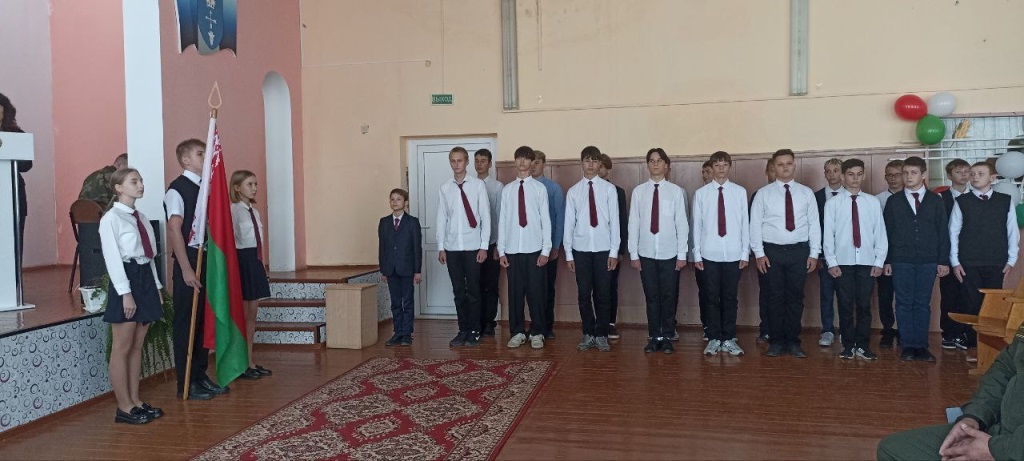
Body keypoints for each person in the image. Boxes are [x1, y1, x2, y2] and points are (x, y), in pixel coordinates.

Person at [876, 326, 1024, 460]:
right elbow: (1006, 367)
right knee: (894, 449)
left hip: (1012, 448)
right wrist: (974, 417)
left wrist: (998, 451)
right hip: (1000, 432)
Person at [164, 139, 228, 400]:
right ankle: (186, 382)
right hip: (189, 258)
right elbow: (174, 228)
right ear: (186, 160)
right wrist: (186, 268)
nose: (206, 157)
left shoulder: (205, 188)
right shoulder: (177, 189)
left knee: (202, 320)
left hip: (206, 256)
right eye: (201, 154)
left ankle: (200, 375)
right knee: (186, 322)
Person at [99, 168, 164, 424]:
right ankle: (123, 406)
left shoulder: (142, 218)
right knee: (122, 346)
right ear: (119, 188)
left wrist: (156, 288)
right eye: (134, 182)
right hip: (126, 280)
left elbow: (149, 258)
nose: (140, 185)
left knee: (137, 345)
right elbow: (113, 259)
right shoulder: (111, 219)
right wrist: (125, 294)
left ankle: (136, 400)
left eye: (141, 181)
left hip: (145, 279)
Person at [750, 149, 820, 358]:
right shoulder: (763, 194)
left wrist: (814, 253)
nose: (785, 168)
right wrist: (759, 254)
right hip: (772, 252)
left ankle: (793, 341)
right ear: (774, 167)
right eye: (780, 164)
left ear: (794, 165)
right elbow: (755, 225)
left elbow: (814, 225)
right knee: (775, 297)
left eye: (788, 163)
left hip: (799, 251)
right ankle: (776, 341)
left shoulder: (806, 193)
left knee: (795, 298)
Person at [949, 161, 1019, 363]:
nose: (975, 177)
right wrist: (955, 261)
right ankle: (973, 345)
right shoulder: (962, 201)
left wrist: (1012, 259)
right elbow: (953, 232)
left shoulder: (1004, 200)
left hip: (996, 261)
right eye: (972, 174)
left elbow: (1012, 230)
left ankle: (991, 348)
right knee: (971, 303)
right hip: (969, 261)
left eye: (980, 173)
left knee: (993, 305)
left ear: (992, 178)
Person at [883, 156, 949, 362]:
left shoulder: (935, 200)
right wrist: (887, 260)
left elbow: (942, 231)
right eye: (905, 173)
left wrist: (943, 260)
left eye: (913, 173)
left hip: (928, 260)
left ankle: (921, 345)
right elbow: (887, 232)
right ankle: (908, 345)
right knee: (903, 303)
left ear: (923, 175)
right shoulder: (894, 201)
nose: (908, 177)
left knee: (922, 303)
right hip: (901, 259)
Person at [822, 159, 887, 361]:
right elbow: (828, 235)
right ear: (843, 176)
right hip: (843, 262)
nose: (855, 178)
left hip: (867, 261)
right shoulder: (833, 203)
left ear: (864, 176)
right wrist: (831, 262)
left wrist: (879, 261)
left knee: (864, 306)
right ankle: (848, 345)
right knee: (845, 305)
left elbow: (880, 233)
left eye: (859, 174)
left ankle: (863, 345)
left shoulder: (872, 202)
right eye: (851, 174)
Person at [628, 148, 687, 354]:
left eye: (659, 160)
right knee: (652, 296)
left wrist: (682, 254)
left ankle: (668, 336)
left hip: (670, 253)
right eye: (652, 160)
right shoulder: (639, 192)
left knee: (668, 296)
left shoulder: (675, 191)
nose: (655, 164)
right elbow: (634, 223)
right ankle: (654, 336)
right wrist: (634, 253)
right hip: (646, 253)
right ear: (647, 165)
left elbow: (682, 224)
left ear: (666, 165)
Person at [692, 151, 748, 356]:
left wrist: (745, 252)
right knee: (711, 297)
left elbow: (745, 223)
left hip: (733, 253)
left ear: (729, 167)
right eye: (717, 165)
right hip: (709, 253)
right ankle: (714, 338)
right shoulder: (701, 194)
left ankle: (729, 337)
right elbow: (697, 225)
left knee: (730, 297)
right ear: (712, 168)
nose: (721, 169)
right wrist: (697, 254)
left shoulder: (739, 192)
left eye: (724, 165)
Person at [565, 146, 620, 353]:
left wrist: (614, 252)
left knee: (603, 294)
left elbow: (615, 222)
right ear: (581, 163)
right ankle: (588, 333)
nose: (591, 164)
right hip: (581, 250)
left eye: (595, 160)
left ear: (600, 164)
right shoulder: (573, 191)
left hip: (604, 249)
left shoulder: (609, 190)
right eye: (587, 160)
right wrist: (569, 254)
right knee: (583, 293)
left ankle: (601, 333)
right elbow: (569, 225)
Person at [436, 146, 490, 347]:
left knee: (473, 291)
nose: (456, 164)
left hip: (472, 246)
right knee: (458, 291)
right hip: (452, 247)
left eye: (460, 160)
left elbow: (485, 216)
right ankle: (463, 329)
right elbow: (441, 217)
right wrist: (441, 246)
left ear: (467, 162)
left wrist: (484, 246)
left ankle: (475, 329)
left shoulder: (478, 186)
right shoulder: (445, 188)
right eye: (453, 161)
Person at [499, 146, 551, 349]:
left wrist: (545, 250)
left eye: (526, 158)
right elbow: (503, 221)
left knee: (536, 292)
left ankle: (537, 332)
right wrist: (502, 250)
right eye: (519, 158)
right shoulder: (507, 190)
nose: (522, 162)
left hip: (534, 248)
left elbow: (545, 220)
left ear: (532, 162)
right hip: (513, 249)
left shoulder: (539, 189)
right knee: (515, 294)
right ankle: (517, 331)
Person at [229, 170, 274, 377]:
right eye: (249, 184)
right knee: (242, 314)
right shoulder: (234, 211)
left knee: (252, 315)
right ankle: (239, 363)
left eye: (256, 184)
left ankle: (249, 360)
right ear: (237, 187)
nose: (254, 188)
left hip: (254, 261)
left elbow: (258, 241)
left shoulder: (253, 211)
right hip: (242, 261)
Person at [377, 188, 423, 347]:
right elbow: (382, 247)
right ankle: (397, 332)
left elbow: (417, 248)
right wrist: (383, 269)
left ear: (405, 202)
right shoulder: (384, 222)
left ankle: (407, 334)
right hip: (390, 269)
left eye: (398, 199)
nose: (395, 202)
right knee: (395, 302)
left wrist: (417, 271)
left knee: (407, 301)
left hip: (407, 268)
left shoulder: (412, 222)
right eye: (392, 199)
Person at [938, 158, 972, 351]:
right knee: (949, 295)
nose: (963, 175)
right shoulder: (940, 198)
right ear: (949, 176)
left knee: (969, 295)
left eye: (966, 171)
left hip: (971, 255)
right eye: (959, 172)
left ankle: (966, 333)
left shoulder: (976, 197)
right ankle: (949, 334)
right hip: (948, 255)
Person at [532, 150, 565, 339]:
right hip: (529, 247)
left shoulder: (553, 188)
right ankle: (534, 325)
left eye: (537, 162)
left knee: (547, 287)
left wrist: (556, 245)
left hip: (549, 246)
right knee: (532, 288)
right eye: (532, 162)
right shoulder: (524, 187)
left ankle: (547, 326)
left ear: (544, 164)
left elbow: (560, 218)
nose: (534, 166)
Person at [814, 158, 844, 347]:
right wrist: (816, 255)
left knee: (846, 295)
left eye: (836, 170)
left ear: (842, 173)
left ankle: (846, 329)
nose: (832, 174)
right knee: (826, 294)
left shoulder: (850, 196)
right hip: (824, 255)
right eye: (828, 171)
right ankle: (827, 330)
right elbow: (812, 227)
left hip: (847, 255)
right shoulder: (815, 197)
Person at [598, 153, 628, 340]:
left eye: (602, 166)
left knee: (610, 286)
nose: (598, 169)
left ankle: (610, 322)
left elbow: (622, 222)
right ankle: (596, 322)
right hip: (592, 246)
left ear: (608, 169)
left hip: (612, 247)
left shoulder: (617, 191)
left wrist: (620, 250)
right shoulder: (584, 189)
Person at [875, 159, 904, 349]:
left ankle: (903, 330)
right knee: (885, 295)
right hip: (883, 256)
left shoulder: (912, 198)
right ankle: (887, 329)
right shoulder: (877, 199)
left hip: (906, 256)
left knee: (904, 296)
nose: (893, 178)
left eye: (897, 174)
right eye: (889, 175)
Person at [0, 92, 31, 270]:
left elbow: (27, 165)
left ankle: (14, 282)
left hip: (13, 195)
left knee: (14, 243)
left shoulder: (16, 134)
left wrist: (9, 153)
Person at [474, 148, 502, 338]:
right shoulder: (470, 185)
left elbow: (500, 217)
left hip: (491, 243)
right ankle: (476, 321)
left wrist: (499, 245)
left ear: (490, 164)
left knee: (490, 284)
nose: (479, 164)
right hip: (473, 243)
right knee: (475, 284)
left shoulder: (497, 187)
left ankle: (489, 322)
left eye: (483, 160)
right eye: (477, 160)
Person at [753, 158, 776, 343]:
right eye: (772, 170)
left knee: (788, 293)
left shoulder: (796, 193)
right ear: (767, 172)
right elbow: (753, 226)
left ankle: (785, 330)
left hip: (790, 249)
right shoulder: (759, 195)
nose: (776, 173)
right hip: (764, 251)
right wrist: (757, 253)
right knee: (767, 291)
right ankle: (766, 328)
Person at [695, 159, 714, 341]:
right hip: (702, 253)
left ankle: (722, 329)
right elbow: (694, 226)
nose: (705, 175)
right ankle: (707, 325)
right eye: (703, 172)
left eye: (708, 171)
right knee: (705, 292)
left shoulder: (732, 193)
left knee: (722, 294)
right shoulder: (699, 195)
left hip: (723, 253)